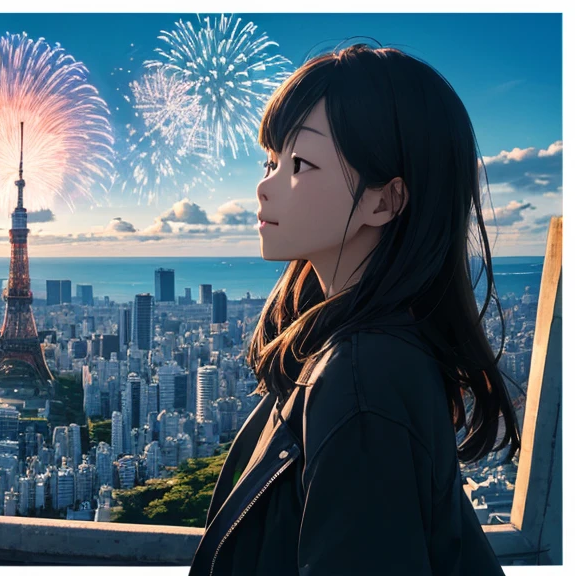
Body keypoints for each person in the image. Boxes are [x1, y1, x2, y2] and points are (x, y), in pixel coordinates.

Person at [188, 43, 522, 575]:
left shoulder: (360, 379)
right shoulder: (377, 350)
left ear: (383, 201)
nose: (264, 185)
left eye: (299, 163)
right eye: (270, 160)